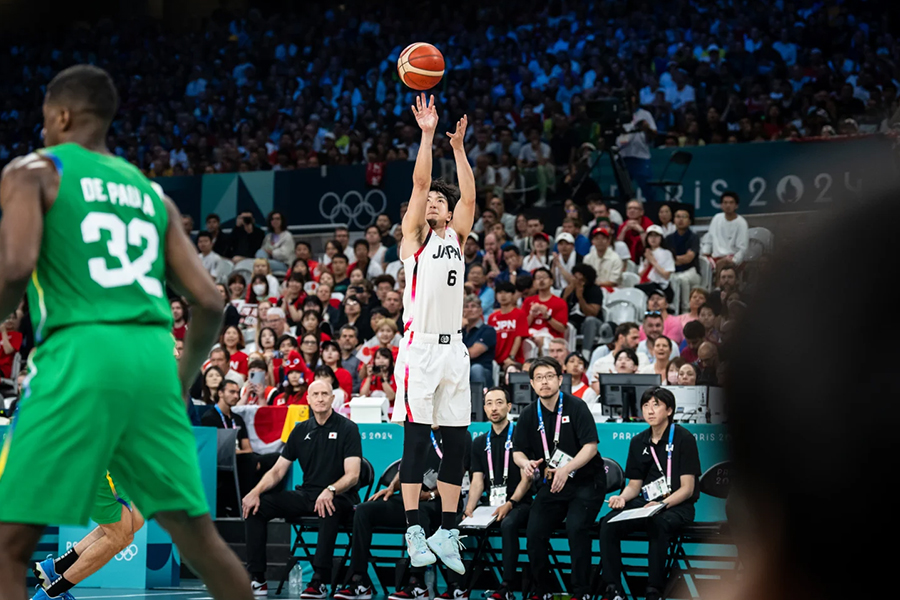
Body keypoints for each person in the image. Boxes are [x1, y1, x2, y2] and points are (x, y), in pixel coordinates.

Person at [0, 64, 252, 600]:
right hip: (154, 362)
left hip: (81, 351)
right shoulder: (152, 194)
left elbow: (16, 267)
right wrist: (181, 381)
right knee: (202, 543)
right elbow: (210, 301)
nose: (43, 130)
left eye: (46, 120)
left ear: (61, 115)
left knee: (9, 546)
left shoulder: (34, 170)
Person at [390, 94, 476, 573]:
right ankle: (413, 531)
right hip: (419, 349)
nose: (434, 204)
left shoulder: (457, 237)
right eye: (431, 202)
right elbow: (421, 181)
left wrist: (459, 149)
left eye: (441, 202)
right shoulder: (414, 238)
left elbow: (472, 197)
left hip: (455, 349)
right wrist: (427, 136)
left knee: (459, 442)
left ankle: (447, 530)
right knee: (417, 441)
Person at [242, 380, 362, 597]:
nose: (320, 398)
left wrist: (331, 489)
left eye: (325, 394)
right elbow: (278, 471)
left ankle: (319, 580)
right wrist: (255, 491)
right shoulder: (300, 430)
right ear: (308, 399)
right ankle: (258, 578)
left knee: (328, 505)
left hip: (340, 497)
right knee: (256, 507)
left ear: (332, 398)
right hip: (307, 494)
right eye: (315, 394)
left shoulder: (348, 428)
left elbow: (353, 475)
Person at [335, 427, 471, 600]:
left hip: (442, 503)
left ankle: (417, 583)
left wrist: (430, 494)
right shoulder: (419, 430)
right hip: (412, 498)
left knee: (419, 513)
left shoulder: (458, 433)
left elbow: (458, 475)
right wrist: (391, 487)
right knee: (364, 510)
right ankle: (359, 580)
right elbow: (406, 467)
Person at [513, 358, 606, 600]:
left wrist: (567, 469)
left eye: (549, 376)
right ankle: (542, 590)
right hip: (554, 482)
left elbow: (591, 447)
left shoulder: (576, 406)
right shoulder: (528, 414)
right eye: (539, 378)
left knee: (576, 528)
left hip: (586, 480)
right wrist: (525, 463)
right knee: (534, 533)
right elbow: (518, 451)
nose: (544, 381)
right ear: (532, 384)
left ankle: (581, 592)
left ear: (559, 379)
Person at [599, 387, 701, 600]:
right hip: (644, 504)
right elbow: (634, 485)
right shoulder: (638, 441)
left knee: (659, 524)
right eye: (646, 405)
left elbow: (687, 488)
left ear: (669, 410)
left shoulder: (684, 438)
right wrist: (622, 498)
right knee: (607, 524)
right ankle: (613, 589)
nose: (650, 410)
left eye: (656, 405)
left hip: (676, 506)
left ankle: (653, 590)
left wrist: (661, 505)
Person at [464, 388, 534, 600]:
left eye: (499, 403)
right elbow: (477, 480)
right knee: (458, 523)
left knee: (509, 524)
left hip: (519, 502)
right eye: (489, 404)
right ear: (484, 408)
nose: (494, 408)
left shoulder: (522, 438)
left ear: (509, 406)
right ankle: (458, 587)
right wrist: (469, 508)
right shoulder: (479, 443)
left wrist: (511, 503)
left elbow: (528, 479)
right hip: (490, 503)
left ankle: (507, 586)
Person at [32, 472, 146, 600]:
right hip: (105, 467)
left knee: (136, 521)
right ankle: (52, 594)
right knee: (119, 537)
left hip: (119, 467)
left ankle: (57, 567)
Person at [616, 95, 658, 202]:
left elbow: (654, 134)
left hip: (641, 156)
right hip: (623, 156)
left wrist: (646, 128)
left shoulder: (645, 114)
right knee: (623, 190)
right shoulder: (619, 115)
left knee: (648, 188)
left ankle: (653, 212)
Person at [561, 263, 604, 354]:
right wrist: (565, 296)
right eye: (575, 278)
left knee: (590, 321)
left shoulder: (595, 290)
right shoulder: (567, 290)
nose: (577, 282)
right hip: (574, 322)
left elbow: (592, 313)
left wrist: (580, 297)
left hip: (592, 324)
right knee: (564, 323)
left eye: (581, 280)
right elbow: (560, 311)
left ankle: (586, 353)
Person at [666, 208, 702, 312]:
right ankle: (673, 309)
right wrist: (679, 258)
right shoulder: (669, 238)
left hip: (692, 271)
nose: (680, 219)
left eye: (684, 217)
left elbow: (688, 258)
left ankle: (686, 309)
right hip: (674, 270)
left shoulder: (693, 237)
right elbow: (667, 259)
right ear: (673, 220)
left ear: (689, 221)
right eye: (677, 217)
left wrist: (674, 258)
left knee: (682, 279)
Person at [522, 268, 568, 349]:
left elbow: (562, 329)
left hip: (550, 336)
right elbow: (522, 326)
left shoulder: (560, 302)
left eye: (544, 277)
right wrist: (532, 315)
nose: (541, 280)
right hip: (530, 335)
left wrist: (547, 317)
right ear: (534, 283)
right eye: (538, 278)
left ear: (551, 281)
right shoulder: (528, 301)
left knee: (539, 340)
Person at [487, 281, 529, 369]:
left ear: (513, 295)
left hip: (514, 359)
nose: (503, 296)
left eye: (507, 292)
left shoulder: (520, 314)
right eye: (500, 293)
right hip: (495, 358)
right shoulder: (492, 317)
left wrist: (511, 357)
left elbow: (519, 337)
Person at [463, 295, 497, 391]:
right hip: (461, 369)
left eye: (473, 306)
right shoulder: (459, 332)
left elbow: (473, 353)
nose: (470, 310)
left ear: (480, 310)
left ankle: (480, 402)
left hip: (482, 370)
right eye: (466, 306)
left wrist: (454, 353)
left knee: (476, 369)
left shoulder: (488, 330)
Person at [706, 191, 749, 265]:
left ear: (736, 206)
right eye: (725, 203)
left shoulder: (741, 223)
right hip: (715, 259)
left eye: (731, 203)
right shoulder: (716, 218)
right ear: (721, 205)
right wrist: (705, 253)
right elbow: (709, 239)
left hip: (732, 259)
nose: (728, 205)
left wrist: (733, 261)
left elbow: (742, 249)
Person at [635, 225, 676, 298]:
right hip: (646, 284)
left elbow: (666, 275)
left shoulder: (666, 253)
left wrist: (652, 261)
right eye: (650, 236)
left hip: (661, 285)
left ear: (661, 238)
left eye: (656, 236)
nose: (653, 239)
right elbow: (640, 275)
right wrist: (647, 263)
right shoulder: (645, 253)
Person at [338, 325, 367, 395]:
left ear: (356, 341)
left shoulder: (362, 358)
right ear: (339, 340)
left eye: (351, 336)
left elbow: (361, 381)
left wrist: (347, 393)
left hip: (354, 395)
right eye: (344, 336)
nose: (347, 339)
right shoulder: (333, 356)